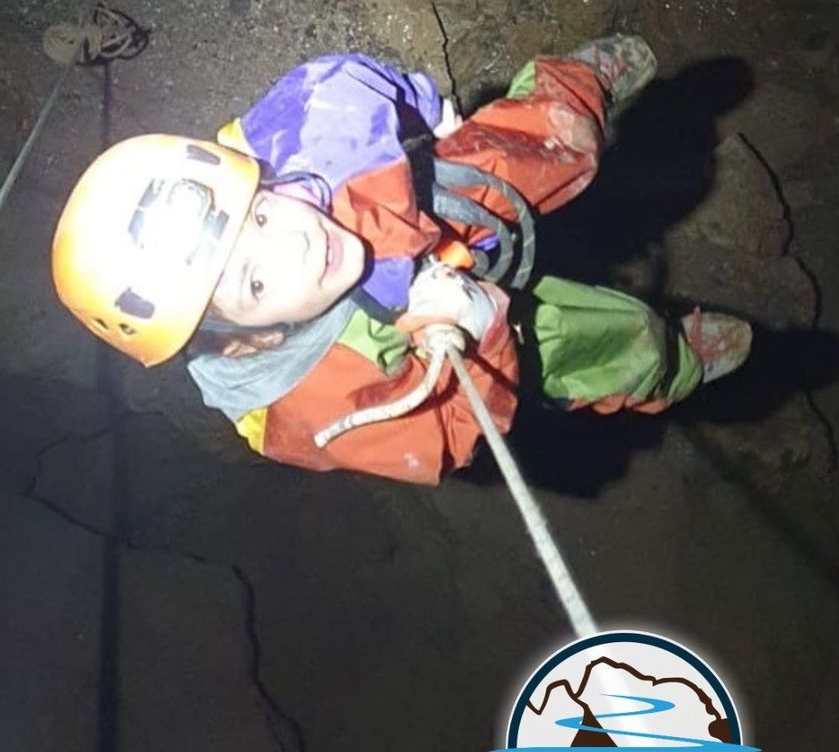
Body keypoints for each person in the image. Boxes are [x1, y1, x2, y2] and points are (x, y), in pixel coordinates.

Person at [51, 38, 752, 485]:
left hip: (407, 214)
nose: (292, 241)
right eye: (254, 282)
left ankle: (576, 89)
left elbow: (338, 81)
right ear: (249, 339)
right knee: (596, 343)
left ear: (255, 181)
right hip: (445, 338)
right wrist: (480, 330)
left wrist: (423, 110)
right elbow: (437, 441)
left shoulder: (299, 151)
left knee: (526, 147)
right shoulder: (298, 411)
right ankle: (674, 361)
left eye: (257, 215)